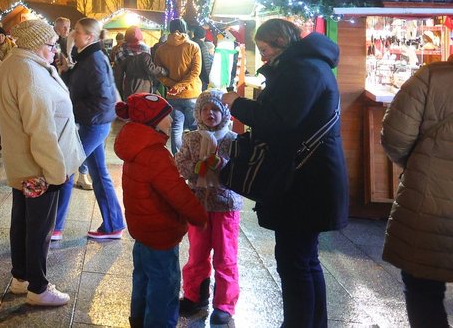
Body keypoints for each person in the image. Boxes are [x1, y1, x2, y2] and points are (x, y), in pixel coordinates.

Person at [222, 18, 348, 328]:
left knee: (294, 263)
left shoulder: (301, 69)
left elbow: (279, 120)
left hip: (304, 182)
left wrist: (236, 103)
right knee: (305, 260)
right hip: (312, 177)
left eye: (265, 50)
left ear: (281, 43)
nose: (263, 57)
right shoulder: (310, 65)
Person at [0, 19, 86, 307]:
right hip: (40, 168)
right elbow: (41, 128)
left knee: (23, 221)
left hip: (24, 164)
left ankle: (21, 277)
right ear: (36, 45)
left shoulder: (15, 64)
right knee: (39, 227)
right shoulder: (29, 72)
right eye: (51, 45)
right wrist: (55, 172)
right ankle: (38, 287)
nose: (54, 51)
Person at [115, 92, 207, 328]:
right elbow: (177, 193)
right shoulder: (156, 155)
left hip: (143, 231)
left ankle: (138, 319)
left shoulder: (134, 146)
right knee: (165, 285)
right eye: (167, 117)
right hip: (161, 234)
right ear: (153, 122)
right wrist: (198, 215)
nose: (173, 121)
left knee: (143, 277)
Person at [381, 60, 453, 328]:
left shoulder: (432, 77)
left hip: (428, 201)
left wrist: (422, 165)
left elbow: (395, 138)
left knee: (423, 288)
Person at [53, 18, 126, 242]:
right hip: (94, 122)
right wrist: (66, 72)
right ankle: (114, 224)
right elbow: (80, 84)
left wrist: (74, 108)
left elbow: (103, 99)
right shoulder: (88, 57)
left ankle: (54, 227)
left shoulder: (93, 59)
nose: (73, 34)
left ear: (89, 37)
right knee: (98, 173)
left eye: (77, 31)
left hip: (95, 123)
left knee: (67, 168)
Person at [174, 89, 242, 325]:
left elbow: (240, 171)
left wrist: (222, 164)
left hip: (225, 206)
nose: (210, 114)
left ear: (224, 113)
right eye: (205, 109)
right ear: (198, 112)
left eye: (215, 109)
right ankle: (195, 295)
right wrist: (195, 167)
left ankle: (224, 303)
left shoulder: (232, 140)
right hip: (198, 205)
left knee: (225, 255)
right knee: (197, 253)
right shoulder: (191, 138)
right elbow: (179, 162)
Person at [153, 18, 202, 153]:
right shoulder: (193, 46)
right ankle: (196, 157)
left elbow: (159, 74)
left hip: (173, 95)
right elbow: (195, 72)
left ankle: (178, 158)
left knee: (176, 127)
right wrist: (181, 86)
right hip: (192, 93)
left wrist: (173, 85)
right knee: (195, 128)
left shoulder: (161, 49)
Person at [55, 15, 92, 191]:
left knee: (79, 153)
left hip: (90, 115)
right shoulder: (59, 44)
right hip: (79, 107)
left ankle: (80, 174)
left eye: (73, 28)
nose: (69, 31)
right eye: (67, 27)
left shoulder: (89, 56)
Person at [114, 26, 168, 99]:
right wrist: (163, 70)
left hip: (129, 88)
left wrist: (119, 94)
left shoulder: (121, 52)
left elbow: (118, 76)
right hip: (144, 89)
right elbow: (151, 69)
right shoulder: (144, 51)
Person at [191, 25, 214, 91]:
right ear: (204, 36)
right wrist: (208, 79)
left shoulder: (189, 43)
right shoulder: (202, 46)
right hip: (200, 78)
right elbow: (206, 64)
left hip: (188, 76)